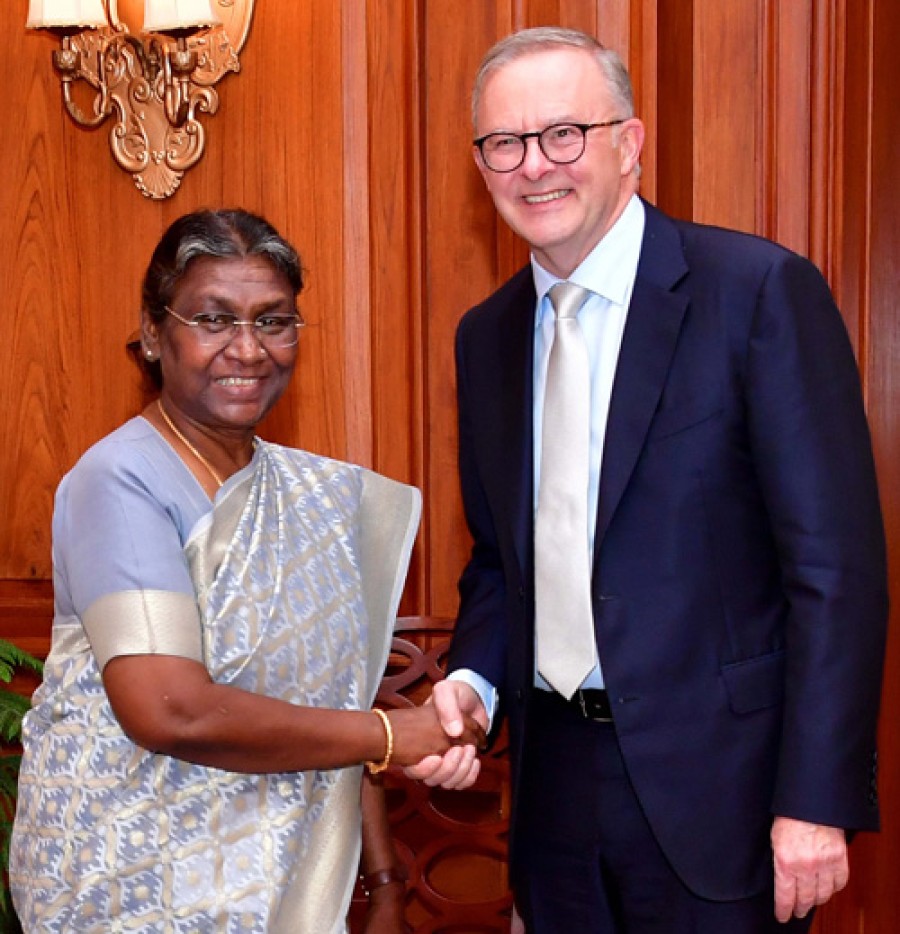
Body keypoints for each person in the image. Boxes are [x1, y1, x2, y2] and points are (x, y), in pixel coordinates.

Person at [406, 26, 889, 933]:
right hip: (552, 795)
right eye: (504, 142)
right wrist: (474, 681)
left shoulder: (757, 292)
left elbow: (836, 575)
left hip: (728, 798)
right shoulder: (487, 336)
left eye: (564, 134)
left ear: (628, 143)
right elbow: (504, 561)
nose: (533, 165)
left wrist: (815, 801)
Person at [9, 209, 483, 933]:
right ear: (153, 333)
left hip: (287, 886)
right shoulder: (118, 483)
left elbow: (336, 703)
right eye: (213, 319)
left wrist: (385, 883)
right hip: (128, 887)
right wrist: (392, 735)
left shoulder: (317, 497)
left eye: (273, 321)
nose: (248, 348)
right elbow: (169, 710)